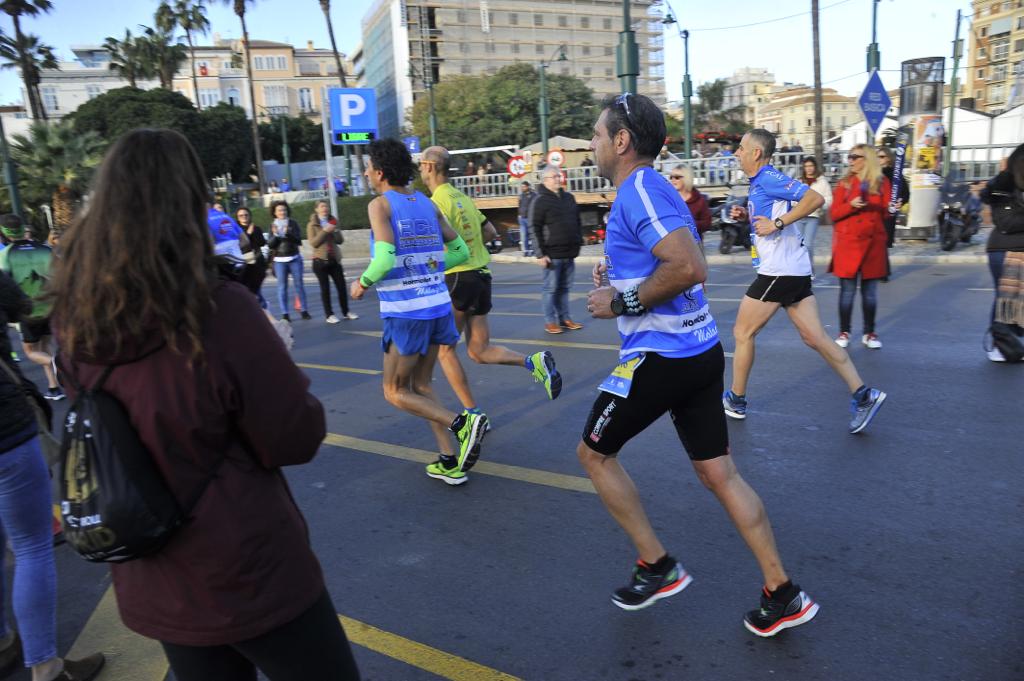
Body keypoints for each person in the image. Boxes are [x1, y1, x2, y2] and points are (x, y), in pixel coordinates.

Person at [50, 128, 361, 681]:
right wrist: (277, 357)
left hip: (154, 568)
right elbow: (294, 436)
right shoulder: (216, 310)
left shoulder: (77, 317)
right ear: (191, 202)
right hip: (246, 566)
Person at [581, 93, 819, 636]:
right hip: (699, 352)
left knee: (594, 455)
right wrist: (618, 276)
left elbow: (689, 266)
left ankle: (656, 565)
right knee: (718, 472)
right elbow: (666, 256)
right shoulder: (653, 187)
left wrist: (622, 303)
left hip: (661, 356)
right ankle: (783, 592)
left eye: (597, 134)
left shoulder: (638, 188)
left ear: (621, 141)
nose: (592, 144)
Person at [721, 129, 886, 434]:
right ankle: (864, 394)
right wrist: (750, 214)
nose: (736, 153)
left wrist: (778, 223)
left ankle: (736, 399)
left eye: (741, 148)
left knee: (742, 332)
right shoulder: (761, 183)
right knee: (815, 338)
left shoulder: (769, 177)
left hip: (779, 272)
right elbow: (770, 217)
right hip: (792, 269)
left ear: (756, 153)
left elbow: (815, 198)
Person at [350, 138, 488, 486]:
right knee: (423, 384)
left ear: (380, 172)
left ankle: (463, 424)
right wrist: (429, 265)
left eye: (368, 167)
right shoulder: (427, 203)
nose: (366, 172)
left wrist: (362, 283)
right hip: (438, 305)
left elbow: (383, 258)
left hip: (407, 312)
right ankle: (449, 460)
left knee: (395, 391)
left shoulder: (380, 205)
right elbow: (459, 249)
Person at [0, 268, 106, 681]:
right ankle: (45, 666)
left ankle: (4, 643)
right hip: (6, 429)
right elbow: (28, 309)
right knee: (31, 546)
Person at [419, 146, 561, 418]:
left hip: (458, 277)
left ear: (429, 166)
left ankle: (473, 414)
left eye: (420, 165)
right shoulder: (462, 197)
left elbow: (435, 244)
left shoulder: (435, 202)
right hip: (481, 276)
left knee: (445, 351)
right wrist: (472, 253)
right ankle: (533, 362)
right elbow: (490, 230)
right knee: (478, 350)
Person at [830, 145, 891, 350]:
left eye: (855, 157)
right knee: (847, 292)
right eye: (850, 156)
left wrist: (893, 208)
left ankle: (869, 332)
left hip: (873, 245)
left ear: (867, 159)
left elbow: (886, 213)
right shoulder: (845, 183)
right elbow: (834, 214)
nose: (851, 160)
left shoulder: (881, 182)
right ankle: (844, 331)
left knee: (870, 293)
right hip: (849, 244)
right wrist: (851, 205)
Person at [0, 215, 63, 400]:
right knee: (46, 345)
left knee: (31, 352)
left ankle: (60, 364)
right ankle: (54, 388)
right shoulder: (45, 249)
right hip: (50, 307)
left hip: (28, 312)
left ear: (5, 232)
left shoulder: (5, 254)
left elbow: (6, 287)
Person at [980, 143, 1024, 362]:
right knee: (1004, 299)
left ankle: (1009, 342)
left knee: (1010, 299)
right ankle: (1000, 345)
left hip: (1016, 249)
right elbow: (1005, 222)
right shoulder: (1004, 185)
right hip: (1004, 250)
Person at [530, 167, 585, 334]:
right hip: (552, 254)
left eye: (558, 176)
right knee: (550, 289)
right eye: (553, 177)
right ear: (545, 180)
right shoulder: (539, 200)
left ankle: (565, 318)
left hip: (569, 252)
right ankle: (550, 321)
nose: (557, 179)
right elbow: (534, 227)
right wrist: (540, 253)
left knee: (565, 288)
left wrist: (578, 241)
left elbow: (577, 221)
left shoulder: (569, 198)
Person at [307, 200, 358, 324]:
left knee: (341, 287)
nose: (325, 208)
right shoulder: (312, 225)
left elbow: (340, 241)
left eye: (326, 206)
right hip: (320, 261)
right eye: (322, 206)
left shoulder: (333, 221)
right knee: (325, 289)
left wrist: (334, 230)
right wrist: (325, 231)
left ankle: (346, 312)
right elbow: (314, 243)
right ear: (316, 209)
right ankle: (329, 314)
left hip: (334, 259)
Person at [266, 200, 311, 322]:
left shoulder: (293, 223)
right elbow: (270, 244)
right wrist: (275, 235)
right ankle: (285, 314)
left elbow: (298, 241)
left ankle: (304, 310)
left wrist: (288, 233)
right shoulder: (272, 225)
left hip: (294, 258)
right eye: (279, 210)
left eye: (284, 210)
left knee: (299, 285)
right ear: (275, 213)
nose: (282, 212)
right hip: (279, 260)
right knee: (282, 287)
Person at [792, 156, 833, 276]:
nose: (809, 169)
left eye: (811, 166)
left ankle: (809, 270)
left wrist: (821, 206)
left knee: (808, 244)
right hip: (799, 216)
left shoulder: (822, 181)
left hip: (813, 216)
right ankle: (800, 270)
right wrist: (795, 204)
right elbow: (792, 197)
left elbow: (828, 198)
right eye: (806, 166)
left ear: (815, 167)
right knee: (799, 245)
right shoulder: (799, 181)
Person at [668, 165, 711, 250]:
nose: (673, 180)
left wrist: (690, 224)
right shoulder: (668, 199)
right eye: (671, 177)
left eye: (677, 177)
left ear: (686, 178)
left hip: (694, 246)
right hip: (672, 245)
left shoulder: (699, 200)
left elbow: (707, 223)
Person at [235, 206, 268, 305]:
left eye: (246, 215)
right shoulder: (236, 230)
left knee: (255, 289)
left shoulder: (256, 228)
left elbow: (262, 243)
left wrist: (254, 233)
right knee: (250, 290)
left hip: (257, 261)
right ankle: (261, 307)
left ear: (250, 216)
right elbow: (239, 245)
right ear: (237, 217)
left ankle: (261, 307)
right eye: (241, 215)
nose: (244, 217)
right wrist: (248, 234)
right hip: (244, 262)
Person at [877, 146, 909, 248]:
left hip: (888, 212)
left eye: (881, 156)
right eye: (877, 157)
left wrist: (901, 201)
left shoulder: (895, 174)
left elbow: (905, 193)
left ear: (888, 158)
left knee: (885, 244)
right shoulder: (873, 173)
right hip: (875, 211)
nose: (878, 159)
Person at [517, 181, 537, 256]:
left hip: (530, 218)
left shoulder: (533, 195)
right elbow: (519, 205)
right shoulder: (521, 195)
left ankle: (533, 250)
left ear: (528, 186)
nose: (522, 188)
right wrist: (519, 214)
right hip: (522, 218)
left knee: (532, 235)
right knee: (523, 235)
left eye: (524, 186)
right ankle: (526, 251)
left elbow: (535, 206)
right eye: (522, 187)